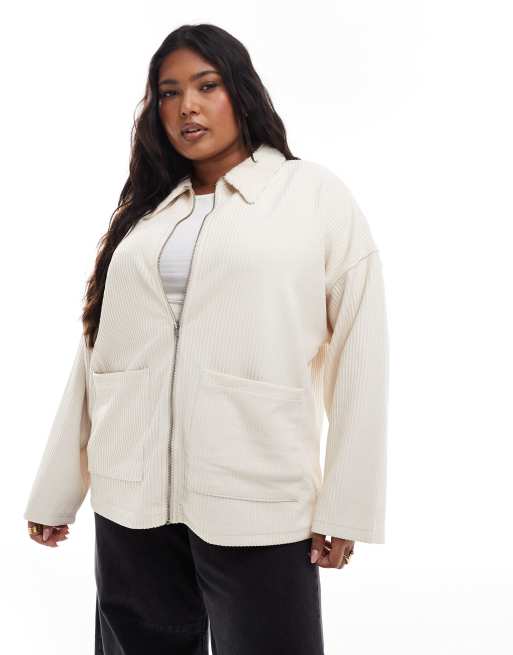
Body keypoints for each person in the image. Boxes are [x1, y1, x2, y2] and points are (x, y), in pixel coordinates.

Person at [24, 23, 388, 654]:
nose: (186, 106)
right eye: (168, 93)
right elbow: (98, 357)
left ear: (241, 92)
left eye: (206, 85)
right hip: (131, 500)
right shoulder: (147, 215)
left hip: (257, 496)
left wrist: (346, 505)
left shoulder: (310, 195)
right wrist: (57, 489)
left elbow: (361, 352)